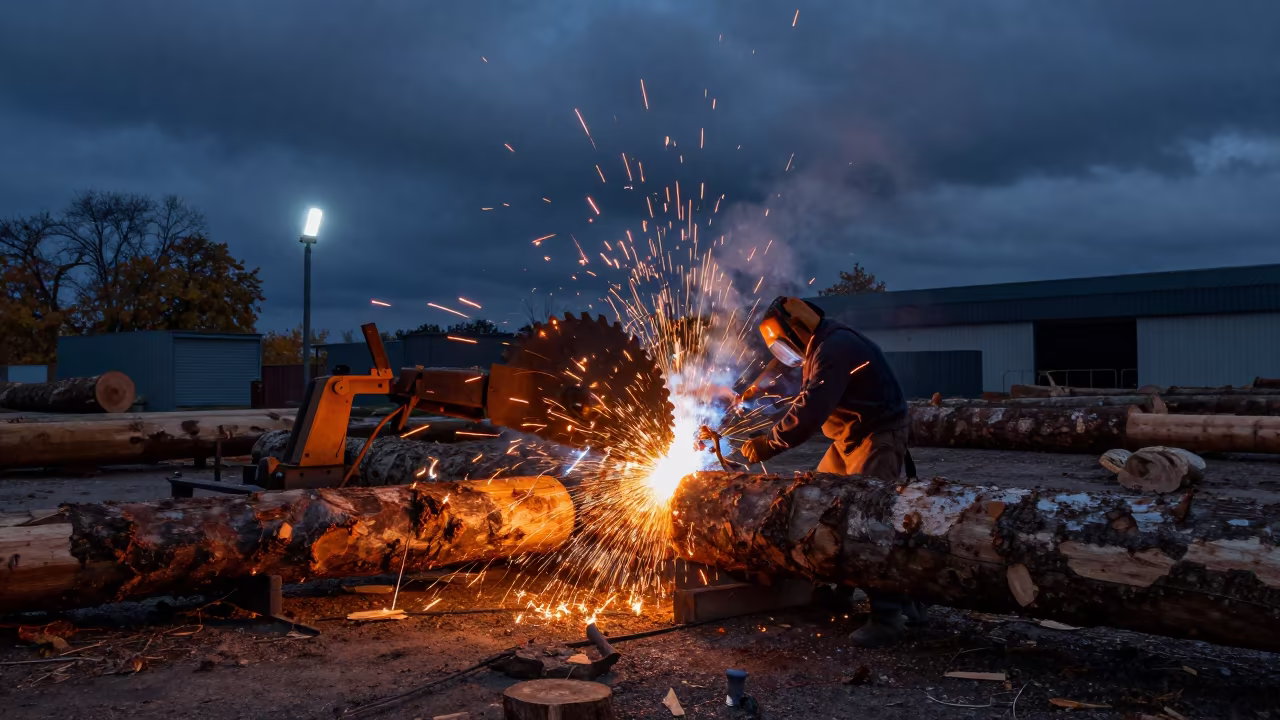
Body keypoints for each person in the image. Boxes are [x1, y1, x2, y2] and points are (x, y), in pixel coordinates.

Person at [736, 296, 926, 648]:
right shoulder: (821, 343)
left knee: (866, 522)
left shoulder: (834, 347)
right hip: (847, 437)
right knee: (818, 506)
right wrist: (752, 392)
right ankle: (839, 591)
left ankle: (889, 616)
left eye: (784, 341)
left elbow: (810, 409)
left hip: (877, 435)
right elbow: (795, 378)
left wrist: (769, 444)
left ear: (798, 327)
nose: (785, 352)